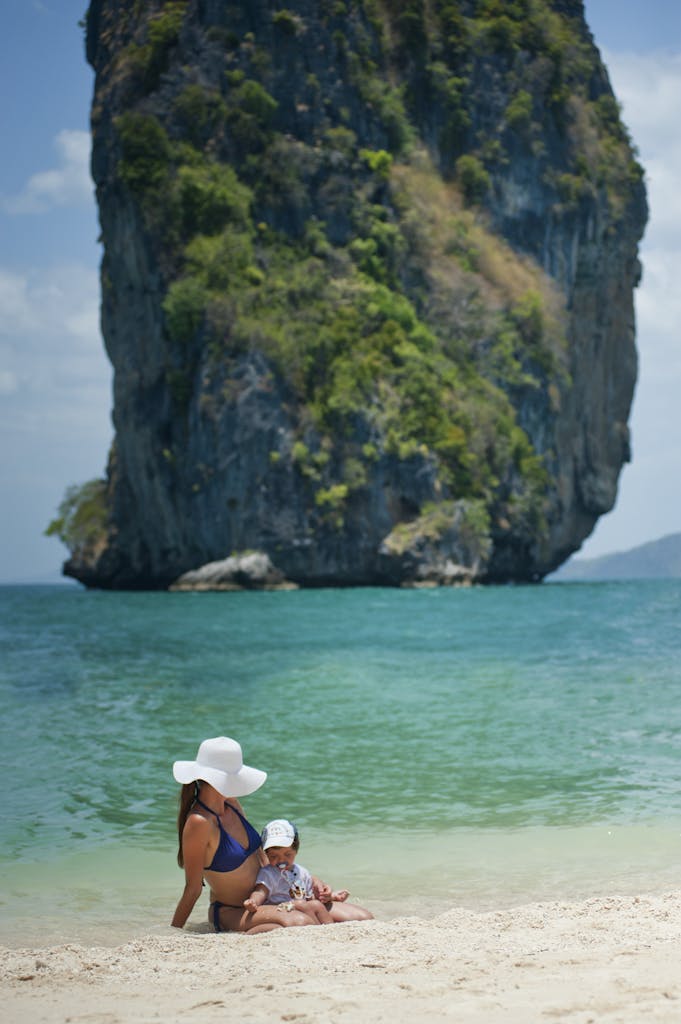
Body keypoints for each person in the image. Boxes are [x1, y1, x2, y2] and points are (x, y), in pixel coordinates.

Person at [171, 737, 318, 933]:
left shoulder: (231, 803)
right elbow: (193, 888)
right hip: (232, 911)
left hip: (269, 898)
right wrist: (173, 932)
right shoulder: (200, 822)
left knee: (357, 916)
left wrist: (305, 882)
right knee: (301, 923)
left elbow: (263, 859)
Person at [244, 818, 373, 924]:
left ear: (296, 850)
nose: (281, 860)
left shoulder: (301, 872)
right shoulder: (268, 873)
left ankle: (328, 928)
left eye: (287, 854)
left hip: (304, 907)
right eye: (274, 856)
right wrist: (253, 902)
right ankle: (327, 929)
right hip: (281, 909)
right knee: (308, 905)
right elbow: (260, 891)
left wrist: (331, 896)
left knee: (313, 904)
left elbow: (309, 894)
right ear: (266, 854)